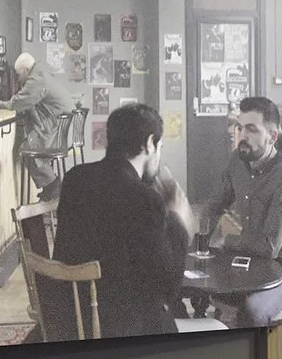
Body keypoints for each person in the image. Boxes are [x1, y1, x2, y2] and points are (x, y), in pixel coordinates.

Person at [49, 102, 193, 337]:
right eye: (160, 147)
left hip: (69, 318)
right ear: (149, 143)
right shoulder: (144, 198)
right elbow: (167, 287)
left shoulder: (75, 178)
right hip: (121, 328)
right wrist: (179, 222)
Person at [201, 94, 282, 327]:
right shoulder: (237, 162)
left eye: (251, 129)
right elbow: (214, 206)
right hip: (245, 263)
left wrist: (226, 240)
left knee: (253, 310)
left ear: (272, 137)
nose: (241, 135)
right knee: (196, 288)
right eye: (239, 127)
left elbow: (269, 247)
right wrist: (202, 238)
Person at [9, 48, 78, 195]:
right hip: (65, 128)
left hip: (58, 129)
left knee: (27, 149)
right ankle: (51, 185)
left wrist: (0, 104)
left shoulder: (37, 77)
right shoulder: (42, 72)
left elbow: (18, 102)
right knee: (32, 143)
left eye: (18, 75)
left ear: (26, 70)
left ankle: (52, 186)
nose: (18, 79)